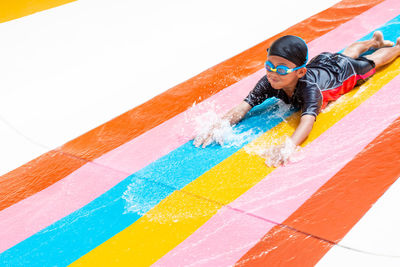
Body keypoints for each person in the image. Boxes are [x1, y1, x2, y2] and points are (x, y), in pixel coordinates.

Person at [193, 31, 400, 166]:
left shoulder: (310, 89)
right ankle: (374, 40)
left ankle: (395, 47)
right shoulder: (269, 81)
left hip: (342, 73)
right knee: (345, 52)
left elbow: (307, 121)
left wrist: (289, 145)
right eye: (269, 66)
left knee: (371, 61)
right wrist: (219, 123)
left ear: (299, 73)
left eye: (281, 69)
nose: (273, 73)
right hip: (322, 62)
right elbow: (243, 106)